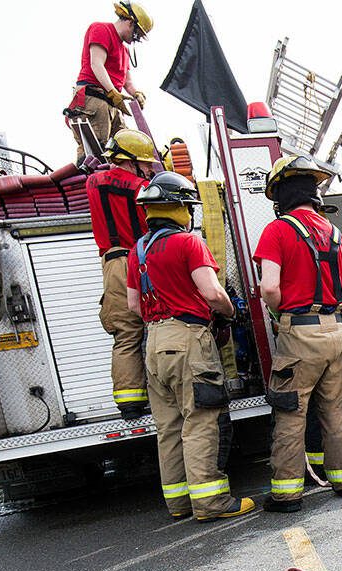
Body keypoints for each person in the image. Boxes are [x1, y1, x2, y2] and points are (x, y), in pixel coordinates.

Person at [126, 171, 252, 522]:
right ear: (179, 207)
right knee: (200, 421)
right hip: (188, 339)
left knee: (168, 428)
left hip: (153, 343)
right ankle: (211, 503)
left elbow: (134, 306)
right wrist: (228, 312)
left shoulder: (137, 251)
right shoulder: (188, 243)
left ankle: (179, 503)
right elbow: (212, 292)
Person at [253, 155, 342, 512]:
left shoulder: (278, 230)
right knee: (334, 408)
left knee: (291, 413)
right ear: (313, 194)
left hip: (299, 333)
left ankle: (287, 494)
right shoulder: (334, 234)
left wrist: (282, 312)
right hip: (335, 332)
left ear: (280, 195)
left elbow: (269, 288)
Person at [87, 129, 156, 418]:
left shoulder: (93, 182)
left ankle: (129, 402)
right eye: (146, 162)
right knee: (158, 324)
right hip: (142, 259)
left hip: (112, 263)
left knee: (126, 334)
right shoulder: (142, 187)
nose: (150, 167)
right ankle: (164, 393)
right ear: (131, 160)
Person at [66, 2, 153, 159]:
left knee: (126, 150)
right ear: (130, 22)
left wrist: (136, 93)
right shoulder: (101, 29)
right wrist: (113, 92)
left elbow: (127, 83)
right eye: (137, 34)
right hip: (94, 98)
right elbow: (96, 64)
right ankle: (89, 181)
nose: (136, 40)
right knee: (96, 151)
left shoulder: (124, 50)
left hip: (112, 104)